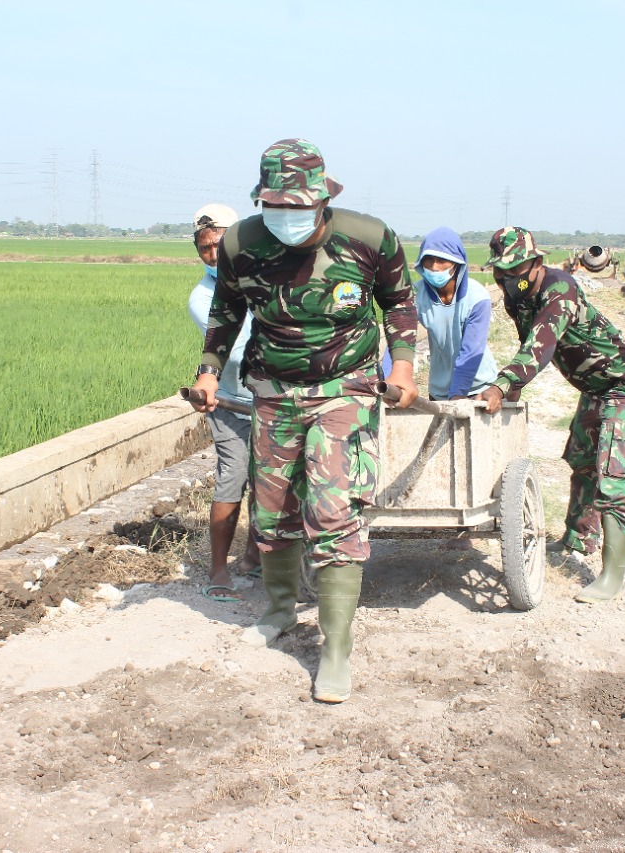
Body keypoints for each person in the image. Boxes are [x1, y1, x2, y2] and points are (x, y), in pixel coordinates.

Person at [188, 139, 418, 703]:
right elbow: (226, 310)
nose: (284, 216)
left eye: (296, 207)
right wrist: (209, 371)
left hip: (345, 386)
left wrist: (404, 366)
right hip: (273, 389)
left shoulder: (369, 238)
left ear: (322, 200)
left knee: (333, 509)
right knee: (273, 510)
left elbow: (399, 303)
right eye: (274, 206)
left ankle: (335, 647)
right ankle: (280, 609)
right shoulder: (240, 242)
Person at [479, 226, 625, 603]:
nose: (509, 278)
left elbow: (541, 344)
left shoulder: (560, 290)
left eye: (516, 270)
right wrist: (515, 387)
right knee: (581, 460)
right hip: (596, 389)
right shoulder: (518, 298)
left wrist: (502, 383)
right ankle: (577, 539)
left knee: (612, 475)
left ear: (536, 264)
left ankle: (611, 575)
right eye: (501, 271)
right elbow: (528, 343)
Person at [186, 203, 262, 602]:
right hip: (233, 401)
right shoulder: (203, 297)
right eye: (205, 248)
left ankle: (253, 556)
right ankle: (218, 567)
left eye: (220, 244)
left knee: (270, 480)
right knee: (233, 476)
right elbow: (236, 349)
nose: (214, 254)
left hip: (273, 399)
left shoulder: (264, 276)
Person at [413, 227, 498, 400]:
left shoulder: (476, 297)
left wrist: (457, 395)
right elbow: (399, 335)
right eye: (428, 260)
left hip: (478, 387)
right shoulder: (415, 295)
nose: (434, 267)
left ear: (456, 263)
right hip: (440, 389)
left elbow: (471, 350)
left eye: (442, 260)